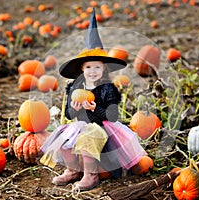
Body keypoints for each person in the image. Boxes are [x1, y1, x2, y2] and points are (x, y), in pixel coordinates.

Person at [40, 8, 146, 191]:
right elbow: (68, 114)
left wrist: (95, 108)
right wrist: (74, 108)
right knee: (62, 138)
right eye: (89, 67)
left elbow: (112, 116)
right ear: (82, 69)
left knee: (88, 137)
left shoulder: (107, 89)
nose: (93, 71)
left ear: (104, 69)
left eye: (97, 67)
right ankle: (73, 170)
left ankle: (91, 175)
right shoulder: (75, 88)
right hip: (80, 125)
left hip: (103, 128)